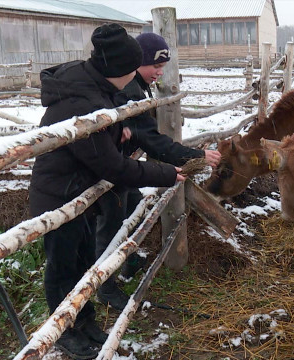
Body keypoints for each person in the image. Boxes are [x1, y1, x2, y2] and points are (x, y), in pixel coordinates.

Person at [29, 24, 184, 360]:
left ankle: (83, 320)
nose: (134, 78)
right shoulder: (82, 101)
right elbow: (112, 166)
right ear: (119, 70)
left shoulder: (95, 85)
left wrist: (117, 133)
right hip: (58, 195)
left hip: (78, 191)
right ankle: (63, 330)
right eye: (132, 70)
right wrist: (167, 172)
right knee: (62, 266)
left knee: (84, 258)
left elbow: (99, 144)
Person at [95, 32, 221, 311]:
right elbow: (152, 140)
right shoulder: (129, 92)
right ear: (137, 61)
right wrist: (196, 155)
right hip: (110, 168)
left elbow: (143, 134)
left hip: (123, 165)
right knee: (111, 224)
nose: (160, 72)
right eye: (156, 65)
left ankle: (127, 261)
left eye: (163, 66)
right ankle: (105, 286)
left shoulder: (137, 87)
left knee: (130, 211)